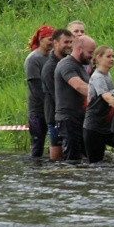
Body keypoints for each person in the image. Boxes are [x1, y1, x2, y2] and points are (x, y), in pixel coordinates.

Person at [54, 35, 95, 161]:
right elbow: (79, 86)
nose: (91, 56)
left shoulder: (82, 66)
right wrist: (102, 94)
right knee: (72, 158)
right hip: (68, 119)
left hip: (81, 118)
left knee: (84, 156)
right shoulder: (66, 65)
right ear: (79, 49)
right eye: (90, 52)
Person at [41, 28, 74, 160]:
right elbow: (56, 95)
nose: (69, 45)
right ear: (55, 42)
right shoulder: (49, 68)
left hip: (70, 116)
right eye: (66, 42)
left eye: (71, 42)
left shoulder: (71, 63)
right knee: (56, 157)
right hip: (54, 117)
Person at [83, 45, 114, 164]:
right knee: (95, 166)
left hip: (108, 126)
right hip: (94, 128)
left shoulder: (107, 75)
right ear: (98, 58)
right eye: (108, 56)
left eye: (113, 56)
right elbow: (108, 98)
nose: (112, 59)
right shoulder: (98, 77)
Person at [24, 24, 54, 159]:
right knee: (38, 144)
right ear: (41, 39)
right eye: (49, 39)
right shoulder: (33, 59)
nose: (52, 42)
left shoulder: (53, 56)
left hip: (52, 107)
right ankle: (35, 171)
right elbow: (35, 87)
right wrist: (51, 103)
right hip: (37, 110)